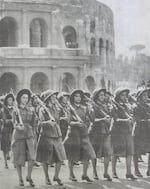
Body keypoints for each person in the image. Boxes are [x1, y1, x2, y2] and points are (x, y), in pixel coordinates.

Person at [64, 90, 96, 183]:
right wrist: (77, 123)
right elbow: (69, 121)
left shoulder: (84, 108)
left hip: (83, 133)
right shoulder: (69, 107)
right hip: (73, 134)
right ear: (73, 97)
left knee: (88, 154)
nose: (78, 98)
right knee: (72, 155)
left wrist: (92, 110)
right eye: (76, 96)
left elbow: (91, 119)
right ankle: (71, 174)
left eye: (80, 96)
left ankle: (84, 175)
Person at [36, 90, 66, 186]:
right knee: (46, 159)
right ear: (48, 99)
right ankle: (47, 177)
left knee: (60, 158)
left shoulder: (56, 108)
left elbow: (58, 119)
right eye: (53, 97)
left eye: (55, 97)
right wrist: (48, 122)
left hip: (57, 135)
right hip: (46, 135)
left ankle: (56, 176)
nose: (55, 98)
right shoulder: (43, 109)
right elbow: (40, 124)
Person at [11, 89, 36, 187]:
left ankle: (29, 176)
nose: (25, 99)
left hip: (29, 135)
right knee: (18, 158)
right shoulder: (16, 110)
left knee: (32, 157)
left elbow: (33, 123)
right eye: (23, 98)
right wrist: (18, 126)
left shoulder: (31, 109)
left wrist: (34, 135)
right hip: (19, 135)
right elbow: (14, 124)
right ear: (19, 99)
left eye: (26, 98)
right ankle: (20, 178)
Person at [111, 88, 136, 180]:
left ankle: (129, 173)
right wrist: (127, 119)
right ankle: (113, 171)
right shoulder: (113, 106)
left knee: (129, 152)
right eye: (122, 95)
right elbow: (116, 119)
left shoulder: (127, 106)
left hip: (127, 131)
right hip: (118, 132)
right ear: (118, 96)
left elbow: (131, 115)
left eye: (125, 95)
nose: (124, 97)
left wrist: (131, 117)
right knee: (116, 152)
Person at [89, 89, 112, 181]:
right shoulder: (92, 107)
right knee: (94, 152)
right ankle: (94, 171)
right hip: (96, 131)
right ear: (96, 96)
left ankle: (106, 172)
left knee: (107, 152)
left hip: (106, 131)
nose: (103, 97)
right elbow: (92, 120)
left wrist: (108, 119)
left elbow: (110, 116)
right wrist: (103, 119)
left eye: (103, 95)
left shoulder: (106, 106)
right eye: (101, 95)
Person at [133, 89, 150, 177]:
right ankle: (136, 170)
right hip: (139, 130)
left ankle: (149, 170)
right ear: (139, 97)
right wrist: (147, 120)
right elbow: (138, 120)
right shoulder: (136, 107)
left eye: (147, 95)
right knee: (137, 151)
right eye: (144, 96)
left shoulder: (148, 107)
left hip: (147, 131)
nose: (146, 97)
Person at [1, 93, 14, 169]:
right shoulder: (3, 110)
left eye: (12, 100)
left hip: (13, 129)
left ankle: (14, 161)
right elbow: (5, 121)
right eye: (9, 100)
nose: (11, 101)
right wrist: (12, 120)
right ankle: (5, 162)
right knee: (5, 147)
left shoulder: (14, 109)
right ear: (6, 101)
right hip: (5, 130)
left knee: (13, 145)